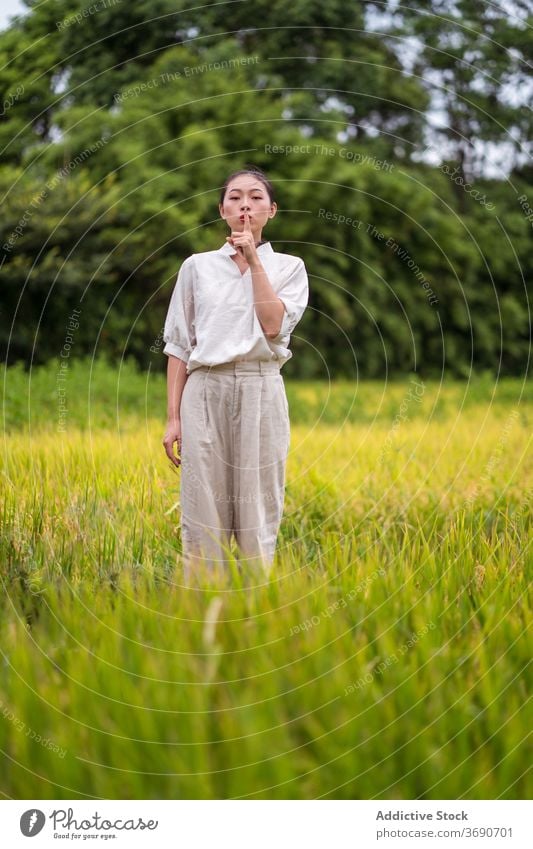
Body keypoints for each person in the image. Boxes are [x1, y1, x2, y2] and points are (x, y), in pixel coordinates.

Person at [162, 167, 309, 581]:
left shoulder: (290, 267)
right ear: (222, 209)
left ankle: (255, 604)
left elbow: (272, 326)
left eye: (257, 197)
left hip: (261, 387)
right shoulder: (196, 267)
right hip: (205, 388)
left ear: (272, 210)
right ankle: (203, 605)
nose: (246, 204)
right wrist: (173, 418)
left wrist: (254, 261)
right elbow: (178, 345)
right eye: (236, 197)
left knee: (258, 503)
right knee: (201, 503)